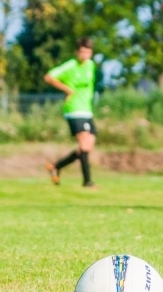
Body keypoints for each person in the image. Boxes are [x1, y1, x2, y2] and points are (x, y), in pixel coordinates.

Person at [44, 37, 98, 189]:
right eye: (82, 52)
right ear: (77, 52)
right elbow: (49, 77)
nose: (85, 55)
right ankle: (87, 182)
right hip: (74, 109)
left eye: (88, 52)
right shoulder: (70, 65)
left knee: (87, 147)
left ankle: (56, 167)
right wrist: (66, 89)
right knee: (84, 146)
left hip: (87, 110)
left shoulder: (91, 65)